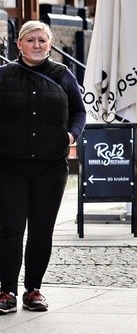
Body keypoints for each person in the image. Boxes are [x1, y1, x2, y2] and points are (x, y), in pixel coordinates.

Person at [0, 21, 86, 315]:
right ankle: (6, 290)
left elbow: (79, 111)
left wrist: (71, 135)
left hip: (51, 166)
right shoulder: (4, 76)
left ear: (50, 45)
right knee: (9, 229)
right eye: (30, 40)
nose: (37, 45)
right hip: (9, 166)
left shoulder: (63, 76)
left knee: (41, 230)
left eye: (42, 40)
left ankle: (33, 290)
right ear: (19, 45)